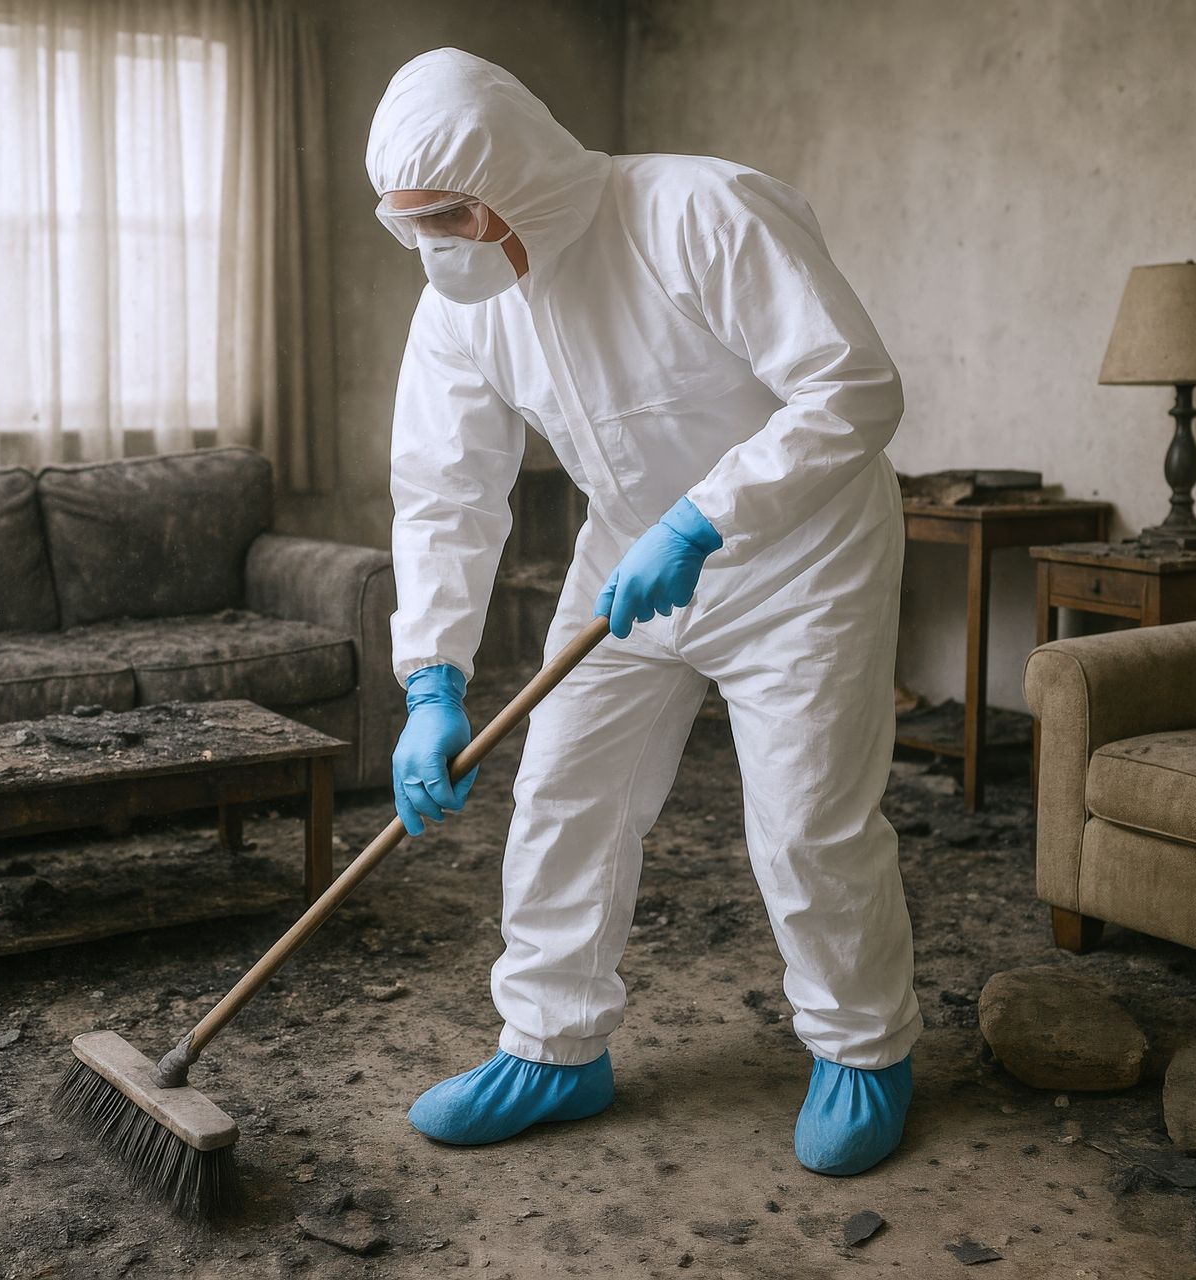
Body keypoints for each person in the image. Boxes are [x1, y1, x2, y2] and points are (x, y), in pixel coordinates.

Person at [372, 49, 918, 1176]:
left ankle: (863, 1045)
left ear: (510, 175)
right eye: (409, 225)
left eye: (448, 216)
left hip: (801, 555)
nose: (432, 247)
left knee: (807, 817)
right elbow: (447, 490)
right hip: (629, 549)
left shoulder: (696, 209)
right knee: (564, 790)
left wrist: (707, 519)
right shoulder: (458, 308)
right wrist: (432, 680)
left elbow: (853, 386)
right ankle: (553, 1044)